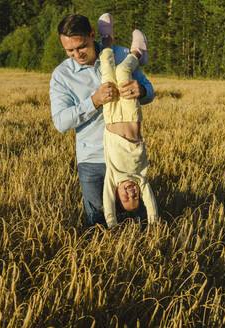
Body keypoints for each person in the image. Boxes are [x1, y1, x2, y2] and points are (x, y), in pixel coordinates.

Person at [49, 14, 155, 228]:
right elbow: (60, 122)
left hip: (125, 154)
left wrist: (141, 90)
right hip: (92, 159)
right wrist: (94, 101)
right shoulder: (61, 75)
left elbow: (150, 91)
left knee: (136, 219)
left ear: (92, 35)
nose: (76, 54)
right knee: (98, 224)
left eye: (81, 47)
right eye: (69, 51)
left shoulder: (121, 54)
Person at [97, 13, 159, 228]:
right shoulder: (141, 179)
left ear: (117, 194)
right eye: (135, 198)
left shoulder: (112, 178)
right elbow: (151, 204)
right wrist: (153, 226)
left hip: (111, 117)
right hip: (132, 117)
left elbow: (107, 205)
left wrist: (113, 227)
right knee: (123, 70)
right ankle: (137, 53)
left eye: (126, 198)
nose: (131, 193)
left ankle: (107, 41)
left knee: (106, 69)